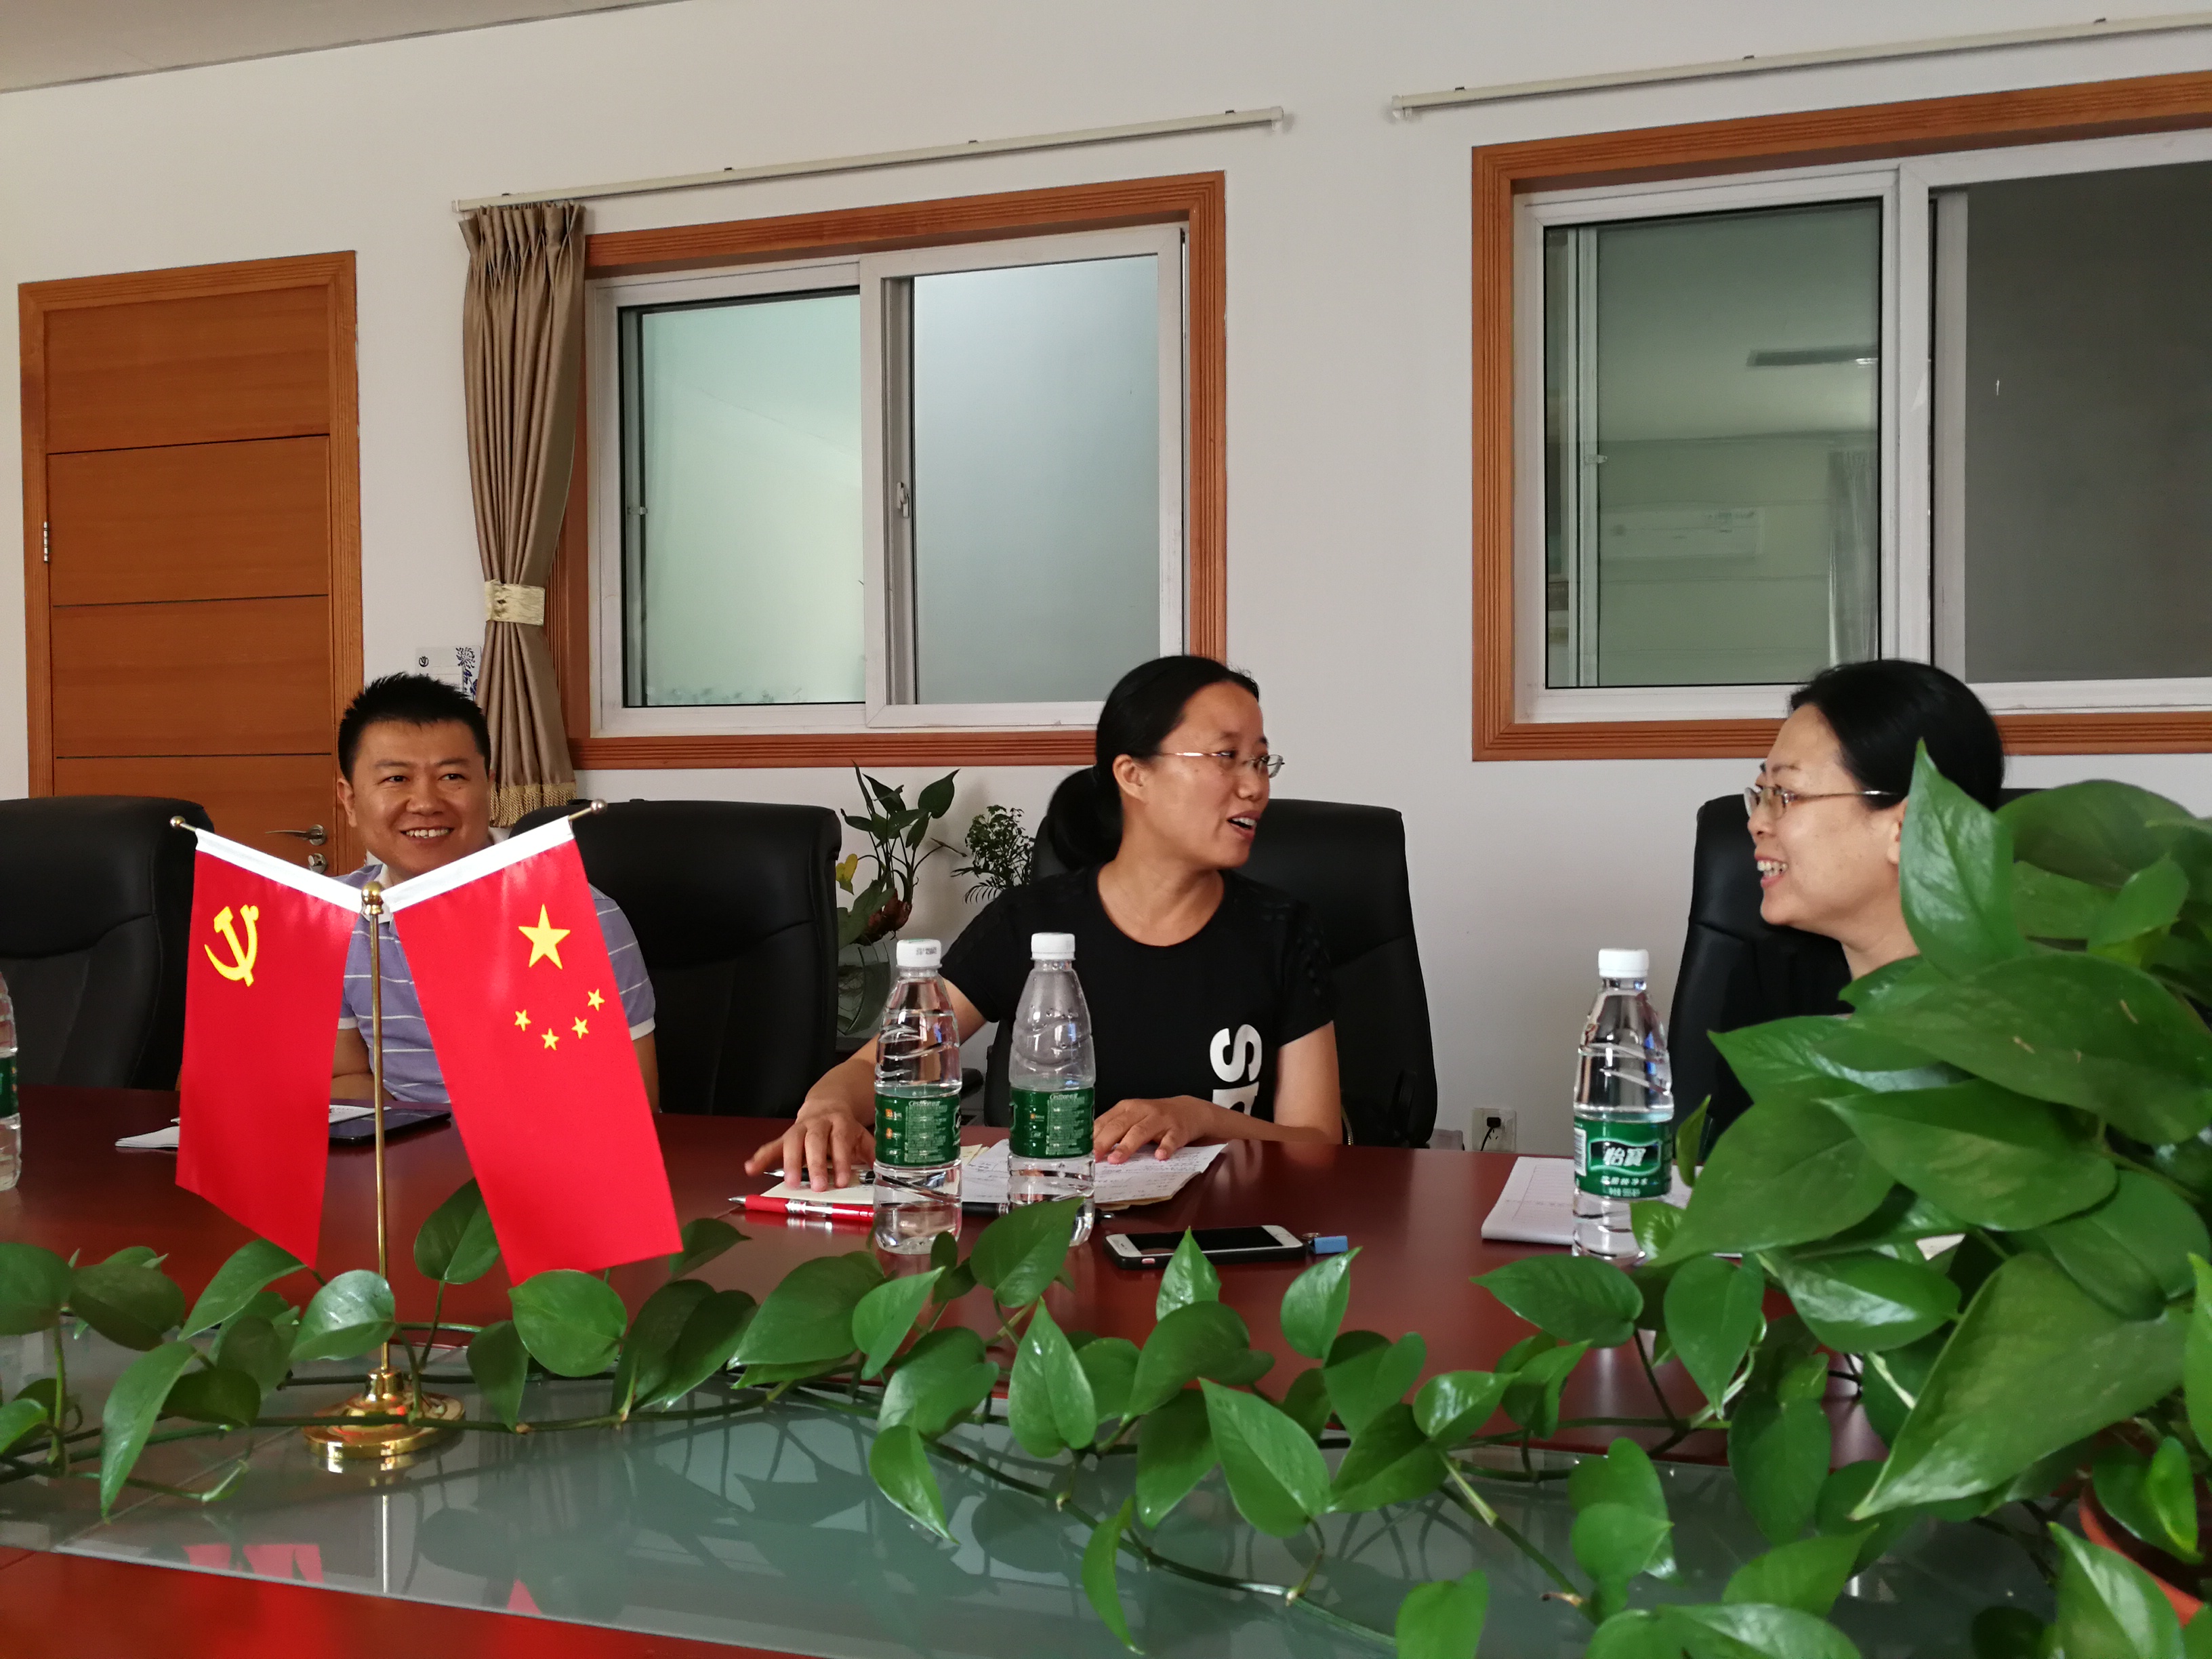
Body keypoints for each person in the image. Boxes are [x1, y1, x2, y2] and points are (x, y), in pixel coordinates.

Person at [747, 655, 1342, 1191]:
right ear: (1133, 774)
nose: (1255, 786)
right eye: (1226, 757)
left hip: (1231, 1241)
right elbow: (875, 1066)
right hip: (1053, 1231)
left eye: (1260, 760)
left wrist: (1201, 1118)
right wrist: (827, 1109)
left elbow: (1318, 1143)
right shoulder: (1031, 923)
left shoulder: (1281, 931)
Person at [1702, 657, 2005, 1139]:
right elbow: (1742, 1164)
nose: (1757, 822)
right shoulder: (1776, 975)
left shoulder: (2020, 994)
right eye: (1761, 793)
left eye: (1785, 794)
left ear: (1909, 826)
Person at [329, 673, 660, 1109]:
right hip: (404, 1144)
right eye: (396, 779)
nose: (425, 803)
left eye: (451, 776)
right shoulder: (331, 917)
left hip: (543, 1145)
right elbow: (348, 1076)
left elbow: (630, 1104)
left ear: (488, 787)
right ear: (350, 801)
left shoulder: (576, 915)